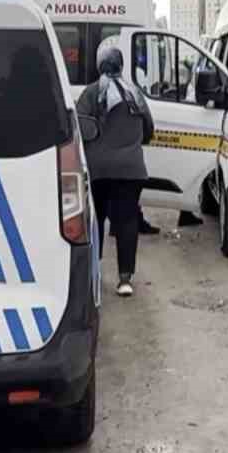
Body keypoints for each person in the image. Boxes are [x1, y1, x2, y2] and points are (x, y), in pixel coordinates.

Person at [75, 38, 154, 297]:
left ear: (99, 66)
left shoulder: (90, 93)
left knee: (96, 219)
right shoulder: (135, 94)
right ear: (121, 65)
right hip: (131, 170)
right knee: (127, 220)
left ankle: (94, 275)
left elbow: (79, 129)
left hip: (98, 171)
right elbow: (149, 130)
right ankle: (125, 280)